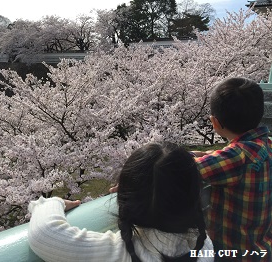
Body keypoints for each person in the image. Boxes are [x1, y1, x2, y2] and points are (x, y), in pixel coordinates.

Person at [28, 142, 214, 262]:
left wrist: (51, 202)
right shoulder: (204, 246)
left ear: (124, 196)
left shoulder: (119, 252)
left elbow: (45, 233)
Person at [191, 77, 272, 261]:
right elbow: (225, 155)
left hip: (231, 254)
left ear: (215, 122)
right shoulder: (265, 145)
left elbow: (181, 168)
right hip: (262, 249)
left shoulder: (237, 158)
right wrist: (201, 152)